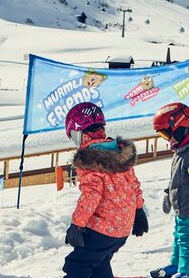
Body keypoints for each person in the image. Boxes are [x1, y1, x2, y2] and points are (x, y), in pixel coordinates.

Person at [61, 102, 147, 278]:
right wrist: (139, 212)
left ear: (79, 133)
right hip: (122, 228)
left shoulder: (88, 158)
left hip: (102, 229)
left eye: (74, 137)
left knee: (77, 264)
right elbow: (133, 185)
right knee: (99, 263)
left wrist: (77, 225)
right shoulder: (118, 152)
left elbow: (91, 195)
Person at [153, 103, 189, 278]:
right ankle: (177, 263)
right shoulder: (181, 149)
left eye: (166, 133)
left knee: (187, 239)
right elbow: (177, 178)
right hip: (182, 205)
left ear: (178, 126)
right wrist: (168, 193)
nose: (167, 139)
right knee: (179, 234)